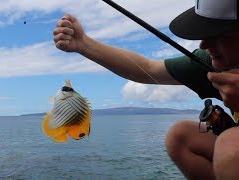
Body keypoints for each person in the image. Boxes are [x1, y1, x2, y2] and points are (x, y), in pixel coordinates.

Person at [53, 0, 239, 179]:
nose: (204, 45)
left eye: (222, 36)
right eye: (205, 33)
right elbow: (148, 69)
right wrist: (84, 44)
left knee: (230, 146)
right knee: (180, 136)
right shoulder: (211, 61)